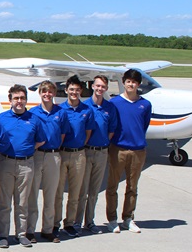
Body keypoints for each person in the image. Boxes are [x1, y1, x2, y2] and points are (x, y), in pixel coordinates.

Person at [0, 85, 45, 248]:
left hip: (27, 164)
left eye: (22, 98)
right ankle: (2, 235)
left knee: (22, 201)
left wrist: (27, 150)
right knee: (4, 201)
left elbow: (41, 140)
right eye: (16, 98)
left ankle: (21, 233)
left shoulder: (34, 119)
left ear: (26, 101)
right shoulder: (1, 119)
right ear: (10, 100)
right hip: (6, 163)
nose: (19, 101)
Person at [105, 69, 151, 234]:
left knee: (132, 187)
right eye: (129, 81)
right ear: (124, 82)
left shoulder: (145, 105)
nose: (131, 84)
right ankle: (111, 219)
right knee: (112, 186)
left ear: (138, 85)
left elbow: (143, 125)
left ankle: (128, 218)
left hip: (138, 150)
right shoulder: (115, 103)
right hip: (118, 149)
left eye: (135, 82)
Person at [28, 81, 67, 243]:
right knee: (33, 194)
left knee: (51, 194)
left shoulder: (61, 112)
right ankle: (30, 230)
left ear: (54, 93)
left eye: (50, 92)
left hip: (53, 155)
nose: (47, 94)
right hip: (37, 155)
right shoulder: (33, 112)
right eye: (44, 92)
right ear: (40, 93)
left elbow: (63, 134)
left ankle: (48, 229)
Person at [78, 75, 118, 234]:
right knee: (82, 190)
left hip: (101, 152)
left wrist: (102, 145)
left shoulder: (110, 108)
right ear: (92, 86)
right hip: (86, 151)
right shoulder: (85, 106)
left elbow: (111, 130)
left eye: (103, 87)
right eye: (97, 86)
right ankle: (76, 222)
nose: (100, 89)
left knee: (94, 190)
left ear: (106, 89)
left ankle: (89, 221)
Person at [56, 75, 94, 238]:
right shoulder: (59, 110)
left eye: (77, 90)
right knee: (57, 191)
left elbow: (88, 133)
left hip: (79, 154)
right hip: (61, 153)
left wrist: (78, 147)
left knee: (75, 192)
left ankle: (70, 222)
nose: (74, 92)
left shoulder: (86, 110)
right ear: (66, 91)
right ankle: (55, 223)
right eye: (71, 89)